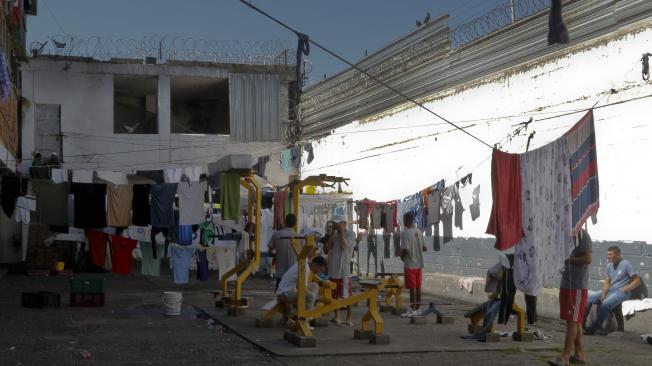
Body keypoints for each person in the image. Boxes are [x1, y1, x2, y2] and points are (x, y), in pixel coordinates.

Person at [549, 229, 592, 366]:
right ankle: (579, 355)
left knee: (572, 320)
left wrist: (567, 259)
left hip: (577, 285)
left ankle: (565, 357)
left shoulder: (581, 234)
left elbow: (588, 259)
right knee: (575, 320)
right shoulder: (564, 234)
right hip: (567, 282)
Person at [583, 245, 641, 335]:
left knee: (605, 305)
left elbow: (637, 280)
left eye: (610, 255)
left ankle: (594, 328)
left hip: (622, 292)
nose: (608, 257)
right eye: (608, 255)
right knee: (589, 298)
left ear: (617, 255)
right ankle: (581, 323)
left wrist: (626, 289)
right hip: (611, 290)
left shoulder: (626, 264)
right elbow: (607, 281)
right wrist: (604, 293)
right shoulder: (609, 265)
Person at [276, 255, 328, 324]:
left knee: (314, 286)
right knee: (311, 297)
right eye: (320, 269)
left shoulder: (304, 263)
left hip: (286, 290)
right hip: (284, 294)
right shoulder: (305, 269)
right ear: (315, 265)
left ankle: (299, 312)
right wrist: (315, 299)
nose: (319, 272)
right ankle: (305, 321)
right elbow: (302, 288)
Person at [326, 214, 356, 326]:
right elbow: (328, 248)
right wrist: (332, 233)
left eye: (337, 223)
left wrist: (341, 232)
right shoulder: (334, 235)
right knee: (335, 295)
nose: (335, 225)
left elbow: (344, 246)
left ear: (344, 223)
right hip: (333, 269)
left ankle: (349, 318)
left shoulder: (351, 234)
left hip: (344, 270)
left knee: (347, 294)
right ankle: (337, 316)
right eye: (334, 223)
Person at [400, 211, 427, 317]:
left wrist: (402, 257)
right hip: (419, 264)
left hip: (410, 264)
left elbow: (405, 249)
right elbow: (425, 248)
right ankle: (418, 308)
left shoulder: (406, 233)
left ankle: (412, 308)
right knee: (418, 287)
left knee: (412, 288)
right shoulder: (419, 232)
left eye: (404, 220)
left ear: (407, 220)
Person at [268, 214, 298, 290]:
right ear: (295, 223)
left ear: (285, 221)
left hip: (280, 273)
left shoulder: (277, 234)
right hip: (293, 273)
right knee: (292, 295)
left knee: (279, 295)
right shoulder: (299, 237)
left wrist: (277, 254)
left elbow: (270, 251)